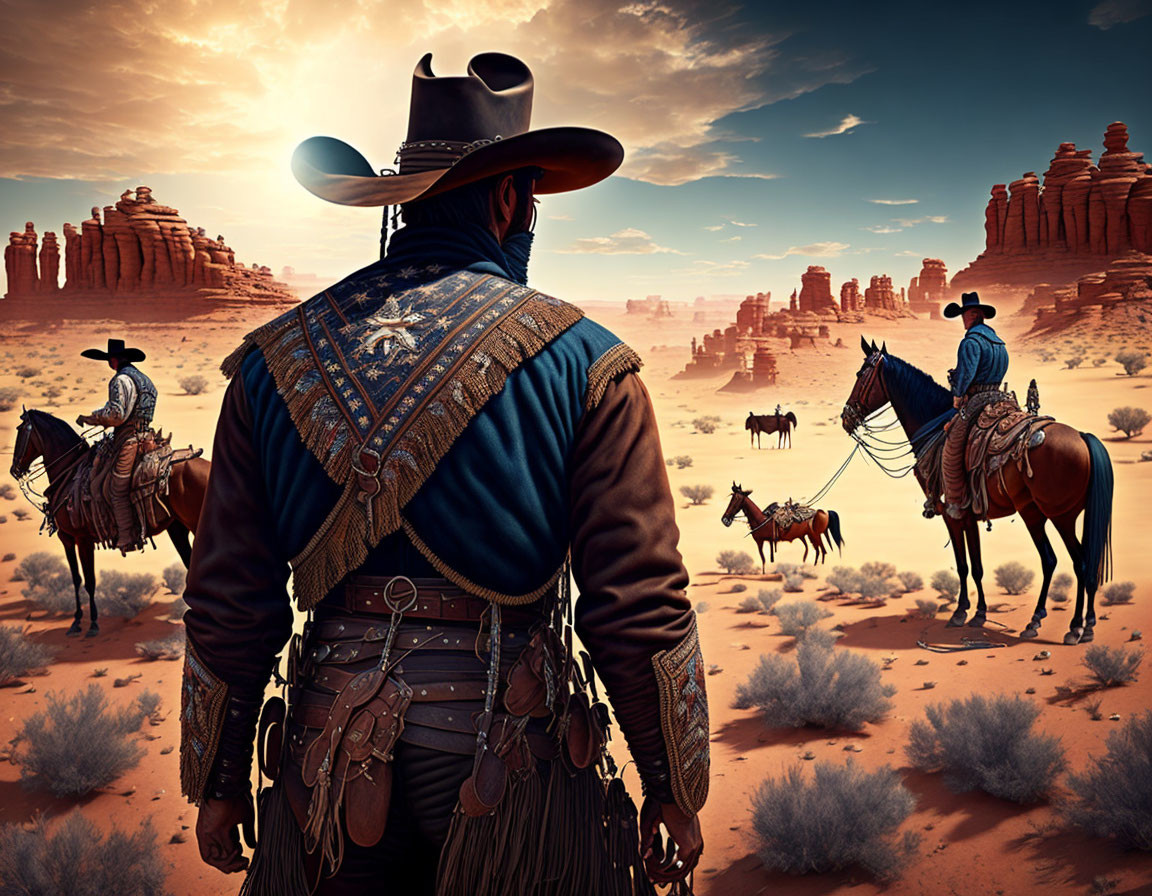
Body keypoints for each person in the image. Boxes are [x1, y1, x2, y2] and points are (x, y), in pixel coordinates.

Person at [180, 52, 708, 896]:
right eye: (530, 201)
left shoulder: (272, 362)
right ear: (509, 202)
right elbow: (637, 600)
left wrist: (217, 781)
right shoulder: (587, 362)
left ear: (401, 204)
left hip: (325, 753)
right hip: (512, 765)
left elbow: (227, 595)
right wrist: (673, 789)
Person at [76, 338, 156, 552]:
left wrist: (92, 418)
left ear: (113, 360)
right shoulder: (144, 379)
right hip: (146, 435)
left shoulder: (120, 379)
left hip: (129, 439)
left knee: (117, 488)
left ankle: (127, 537)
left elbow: (116, 415)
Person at [940, 291, 1009, 518]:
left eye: (966, 314)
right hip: (1000, 397)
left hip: (977, 400)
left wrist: (958, 395)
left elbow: (967, 374)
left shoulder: (971, 341)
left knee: (951, 446)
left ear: (975, 315)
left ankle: (956, 502)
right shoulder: (998, 342)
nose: (964, 319)